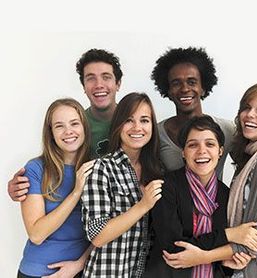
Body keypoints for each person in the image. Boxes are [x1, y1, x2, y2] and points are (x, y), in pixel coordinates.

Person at [162, 83, 257, 278]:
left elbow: (255, 241)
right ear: (183, 152)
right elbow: (237, 236)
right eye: (246, 107)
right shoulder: (249, 161)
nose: (250, 115)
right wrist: (227, 246)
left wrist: (202, 257)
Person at [144, 115, 257, 278]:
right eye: (193, 145)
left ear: (220, 151)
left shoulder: (227, 195)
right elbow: (175, 250)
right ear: (183, 153)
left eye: (210, 144)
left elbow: (223, 261)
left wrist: (229, 262)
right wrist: (230, 234)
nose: (202, 151)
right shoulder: (166, 187)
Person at [8, 48, 123, 201]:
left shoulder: (135, 122)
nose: (98, 84)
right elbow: (53, 162)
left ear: (118, 84)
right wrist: (23, 186)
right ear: (83, 86)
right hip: (91, 208)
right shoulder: (74, 127)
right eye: (90, 78)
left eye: (106, 77)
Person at [81, 92, 163, 277]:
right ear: (118, 125)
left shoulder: (157, 171)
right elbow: (98, 235)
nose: (137, 127)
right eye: (129, 120)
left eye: (144, 120)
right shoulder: (102, 169)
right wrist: (143, 205)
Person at [17, 98, 95, 277]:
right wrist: (76, 192)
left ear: (84, 127)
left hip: (83, 270)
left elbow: (105, 228)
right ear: (50, 132)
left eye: (74, 123)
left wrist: (79, 264)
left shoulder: (95, 167)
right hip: (39, 272)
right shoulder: (36, 169)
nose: (68, 131)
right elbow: (37, 234)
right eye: (59, 126)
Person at [151, 47, 235, 179]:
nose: (185, 89)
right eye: (176, 83)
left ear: (203, 88)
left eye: (192, 82)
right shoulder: (156, 134)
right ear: (168, 90)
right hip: (173, 199)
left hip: (217, 199)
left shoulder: (228, 130)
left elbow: (252, 160)